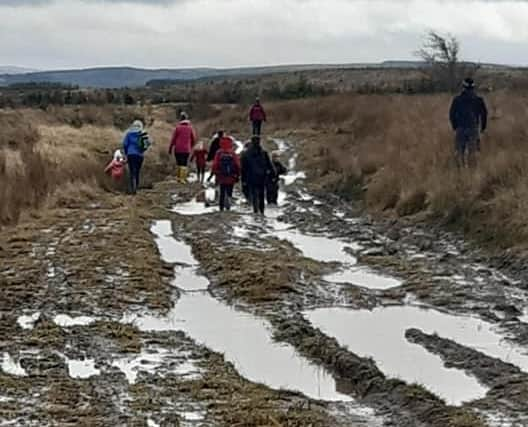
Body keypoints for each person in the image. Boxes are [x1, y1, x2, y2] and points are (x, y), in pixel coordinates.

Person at [449, 78, 488, 168]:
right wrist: (483, 127)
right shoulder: (479, 100)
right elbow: (484, 114)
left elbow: (451, 114)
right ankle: (472, 173)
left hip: (461, 128)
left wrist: (455, 126)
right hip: (474, 128)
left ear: (463, 87)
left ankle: (459, 171)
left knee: (459, 152)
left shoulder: (457, 99)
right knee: (473, 152)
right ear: (473, 87)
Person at [241, 135, 273, 215]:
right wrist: (272, 175)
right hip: (262, 177)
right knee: (261, 194)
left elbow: (243, 168)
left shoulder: (246, 154)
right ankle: (262, 211)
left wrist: (243, 180)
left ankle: (256, 211)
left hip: (251, 177)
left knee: (254, 194)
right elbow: (270, 165)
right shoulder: (264, 153)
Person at [212, 136, 240, 211]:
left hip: (221, 176)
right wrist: (237, 175)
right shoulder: (232, 153)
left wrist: (215, 173)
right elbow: (237, 164)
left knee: (222, 191)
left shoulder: (219, 152)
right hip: (231, 176)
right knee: (229, 191)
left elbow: (215, 164)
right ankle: (228, 206)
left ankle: (221, 207)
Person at [169, 112, 197, 183]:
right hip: (186, 149)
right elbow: (193, 139)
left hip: (178, 149)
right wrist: (191, 146)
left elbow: (173, 139)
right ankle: (183, 178)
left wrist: (170, 148)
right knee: (184, 163)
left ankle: (179, 178)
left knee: (179, 163)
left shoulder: (178, 128)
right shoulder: (190, 128)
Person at [123, 120, 150, 194]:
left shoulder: (128, 134)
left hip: (130, 154)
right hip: (140, 155)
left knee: (132, 172)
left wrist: (126, 153)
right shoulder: (143, 134)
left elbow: (125, 144)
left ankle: (133, 188)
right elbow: (148, 144)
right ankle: (136, 187)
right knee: (137, 171)